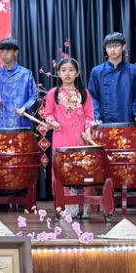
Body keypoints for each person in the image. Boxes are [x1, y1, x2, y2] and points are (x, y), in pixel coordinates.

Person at [44, 57, 95, 218]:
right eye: (64, 70)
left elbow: (90, 116)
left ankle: (84, 207)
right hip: (61, 139)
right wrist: (53, 123)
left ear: (77, 73)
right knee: (62, 173)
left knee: (83, 172)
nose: (67, 73)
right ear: (58, 73)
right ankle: (65, 207)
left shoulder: (84, 93)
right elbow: (48, 114)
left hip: (81, 141)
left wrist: (88, 131)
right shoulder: (53, 93)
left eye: (71, 70)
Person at [87, 32, 136, 123]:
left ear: (124, 47)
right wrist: (97, 116)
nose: (112, 49)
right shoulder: (97, 71)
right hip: (104, 122)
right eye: (109, 46)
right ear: (105, 49)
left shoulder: (133, 70)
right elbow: (92, 97)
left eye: (116, 45)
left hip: (127, 119)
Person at [0, 37, 38, 128]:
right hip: (0, 122)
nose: (4, 54)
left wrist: (25, 107)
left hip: (20, 122)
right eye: (2, 52)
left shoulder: (26, 74)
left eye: (8, 51)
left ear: (15, 52)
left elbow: (34, 95)